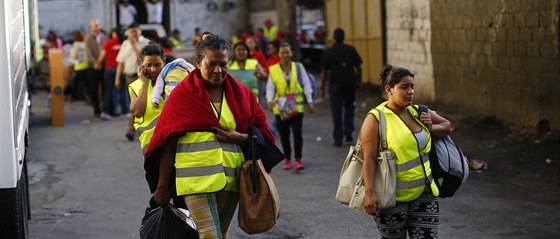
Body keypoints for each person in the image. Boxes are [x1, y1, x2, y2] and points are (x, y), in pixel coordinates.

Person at [144, 33, 274, 238]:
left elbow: (264, 133)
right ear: (198, 62)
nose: (218, 70)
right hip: (194, 179)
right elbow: (167, 141)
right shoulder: (181, 95)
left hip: (231, 179)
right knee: (209, 235)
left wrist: (240, 137)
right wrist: (161, 187)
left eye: (223, 64)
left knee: (219, 235)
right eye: (211, 64)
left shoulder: (244, 94)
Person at [361, 64, 451, 238]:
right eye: (404, 87)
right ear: (389, 89)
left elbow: (447, 126)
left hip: (425, 193)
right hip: (392, 196)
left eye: (412, 87)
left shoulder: (418, 111)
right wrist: (370, 193)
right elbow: (369, 159)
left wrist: (430, 126)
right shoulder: (375, 119)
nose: (410, 91)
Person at [266, 42, 314, 170]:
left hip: (297, 108)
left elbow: (306, 84)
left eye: (287, 52)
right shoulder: (273, 69)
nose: (286, 55)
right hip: (281, 109)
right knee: (284, 135)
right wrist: (269, 100)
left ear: (291, 53)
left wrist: (310, 102)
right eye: (283, 52)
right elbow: (270, 87)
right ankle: (287, 159)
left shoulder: (298, 67)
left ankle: (298, 159)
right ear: (279, 55)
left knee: (297, 134)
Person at [320, 28, 363, 146]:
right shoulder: (351, 50)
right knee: (349, 107)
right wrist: (359, 82)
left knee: (336, 111)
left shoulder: (329, 51)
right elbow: (358, 67)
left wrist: (322, 87)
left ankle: (338, 138)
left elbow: (324, 71)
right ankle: (348, 131)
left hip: (335, 84)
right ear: (343, 37)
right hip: (350, 83)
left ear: (333, 37)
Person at [115, 23, 150, 140]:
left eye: (135, 31)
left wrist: (133, 44)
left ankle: (131, 130)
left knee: (136, 104)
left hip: (140, 77)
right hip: (128, 76)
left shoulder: (146, 43)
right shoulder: (125, 44)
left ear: (140, 31)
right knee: (134, 104)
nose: (133, 34)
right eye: (131, 32)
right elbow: (121, 62)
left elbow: (141, 60)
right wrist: (117, 78)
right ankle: (136, 128)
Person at [95, 28, 124, 120]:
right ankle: (121, 111)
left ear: (114, 33)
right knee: (120, 91)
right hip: (121, 69)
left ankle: (105, 112)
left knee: (108, 91)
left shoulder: (109, 43)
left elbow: (102, 56)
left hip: (109, 69)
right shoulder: (124, 43)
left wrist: (97, 64)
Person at [85, 19, 108, 117]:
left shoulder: (103, 37)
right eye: (95, 25)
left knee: (105, 88)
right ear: (91, 27)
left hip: (104, 65)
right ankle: (97, 109)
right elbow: (88, 53)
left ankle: (105, 108)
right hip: (93, 67)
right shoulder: (88, 38)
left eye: (98, 25)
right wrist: (95, 64)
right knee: (93, 89)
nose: (97, 27)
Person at [69, 31, 88, 101]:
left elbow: (73, 56)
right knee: (85, 83)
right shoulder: (85, 44)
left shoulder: (76, 44)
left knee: (76, 83)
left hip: (79, 66)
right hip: (87, 65)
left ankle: (73, 95)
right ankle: (84, 96)